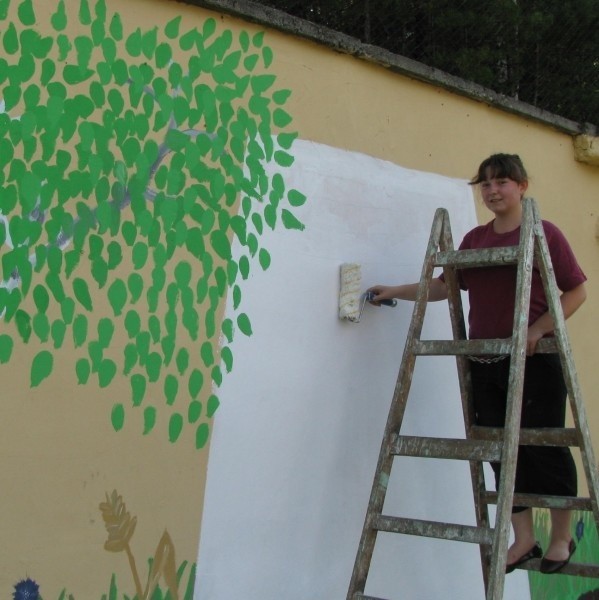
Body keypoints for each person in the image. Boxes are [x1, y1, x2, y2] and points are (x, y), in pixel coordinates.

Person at [368, 153, 587, 574]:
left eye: (501, 182)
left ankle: (561, 538)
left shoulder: (544, 233)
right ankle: (523, 540)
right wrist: (392, 288)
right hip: (485, 359)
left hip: (536, 361)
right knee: (498, 449)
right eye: (485, 184)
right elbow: (444, 286)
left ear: (522, 185)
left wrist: (536, 331)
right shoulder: (474, 241)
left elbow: (575, 291)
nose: (492, 191)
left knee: (545, 446)